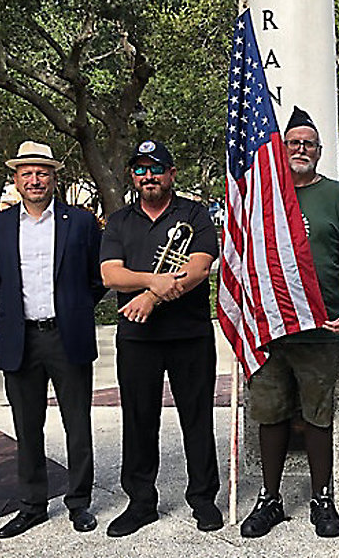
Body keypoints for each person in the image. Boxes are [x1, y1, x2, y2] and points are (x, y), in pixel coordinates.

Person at [240, 107, 339, 540]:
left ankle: (322, 498)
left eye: (308, 144)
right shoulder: (264, 196)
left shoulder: (337, 195)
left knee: (318, 416)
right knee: (270, 414)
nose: (300, 149)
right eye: (293, 143)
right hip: (271, 330)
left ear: (319, 151)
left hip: (321, 329)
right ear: (282, 148)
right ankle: (270, 499)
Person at [0, 141, 106, 537]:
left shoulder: (81, 222)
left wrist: (74, 307)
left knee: (77, 423)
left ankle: (79, 502)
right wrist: (19, 315)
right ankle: (32, 504)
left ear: (54, 177)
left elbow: (96, 277)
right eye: (27, 173)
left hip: (66, 335)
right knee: (27, 425)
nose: (35, 180)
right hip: (22, 339)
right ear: (16, 180)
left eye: (42, 172)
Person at [100, 140, 223, 537]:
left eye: (157, 169)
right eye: (140, 170)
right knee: (138, 420)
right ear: (133, 176)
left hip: (189, 335)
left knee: (197, 417)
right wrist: (152, 279)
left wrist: (151, 296)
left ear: (172, 174)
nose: (148, 176)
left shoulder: (195, 214)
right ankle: (140, 503)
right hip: (137, 338)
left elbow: (200, 267)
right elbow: (110, 274)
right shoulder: (119, 220)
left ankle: (203, 499)